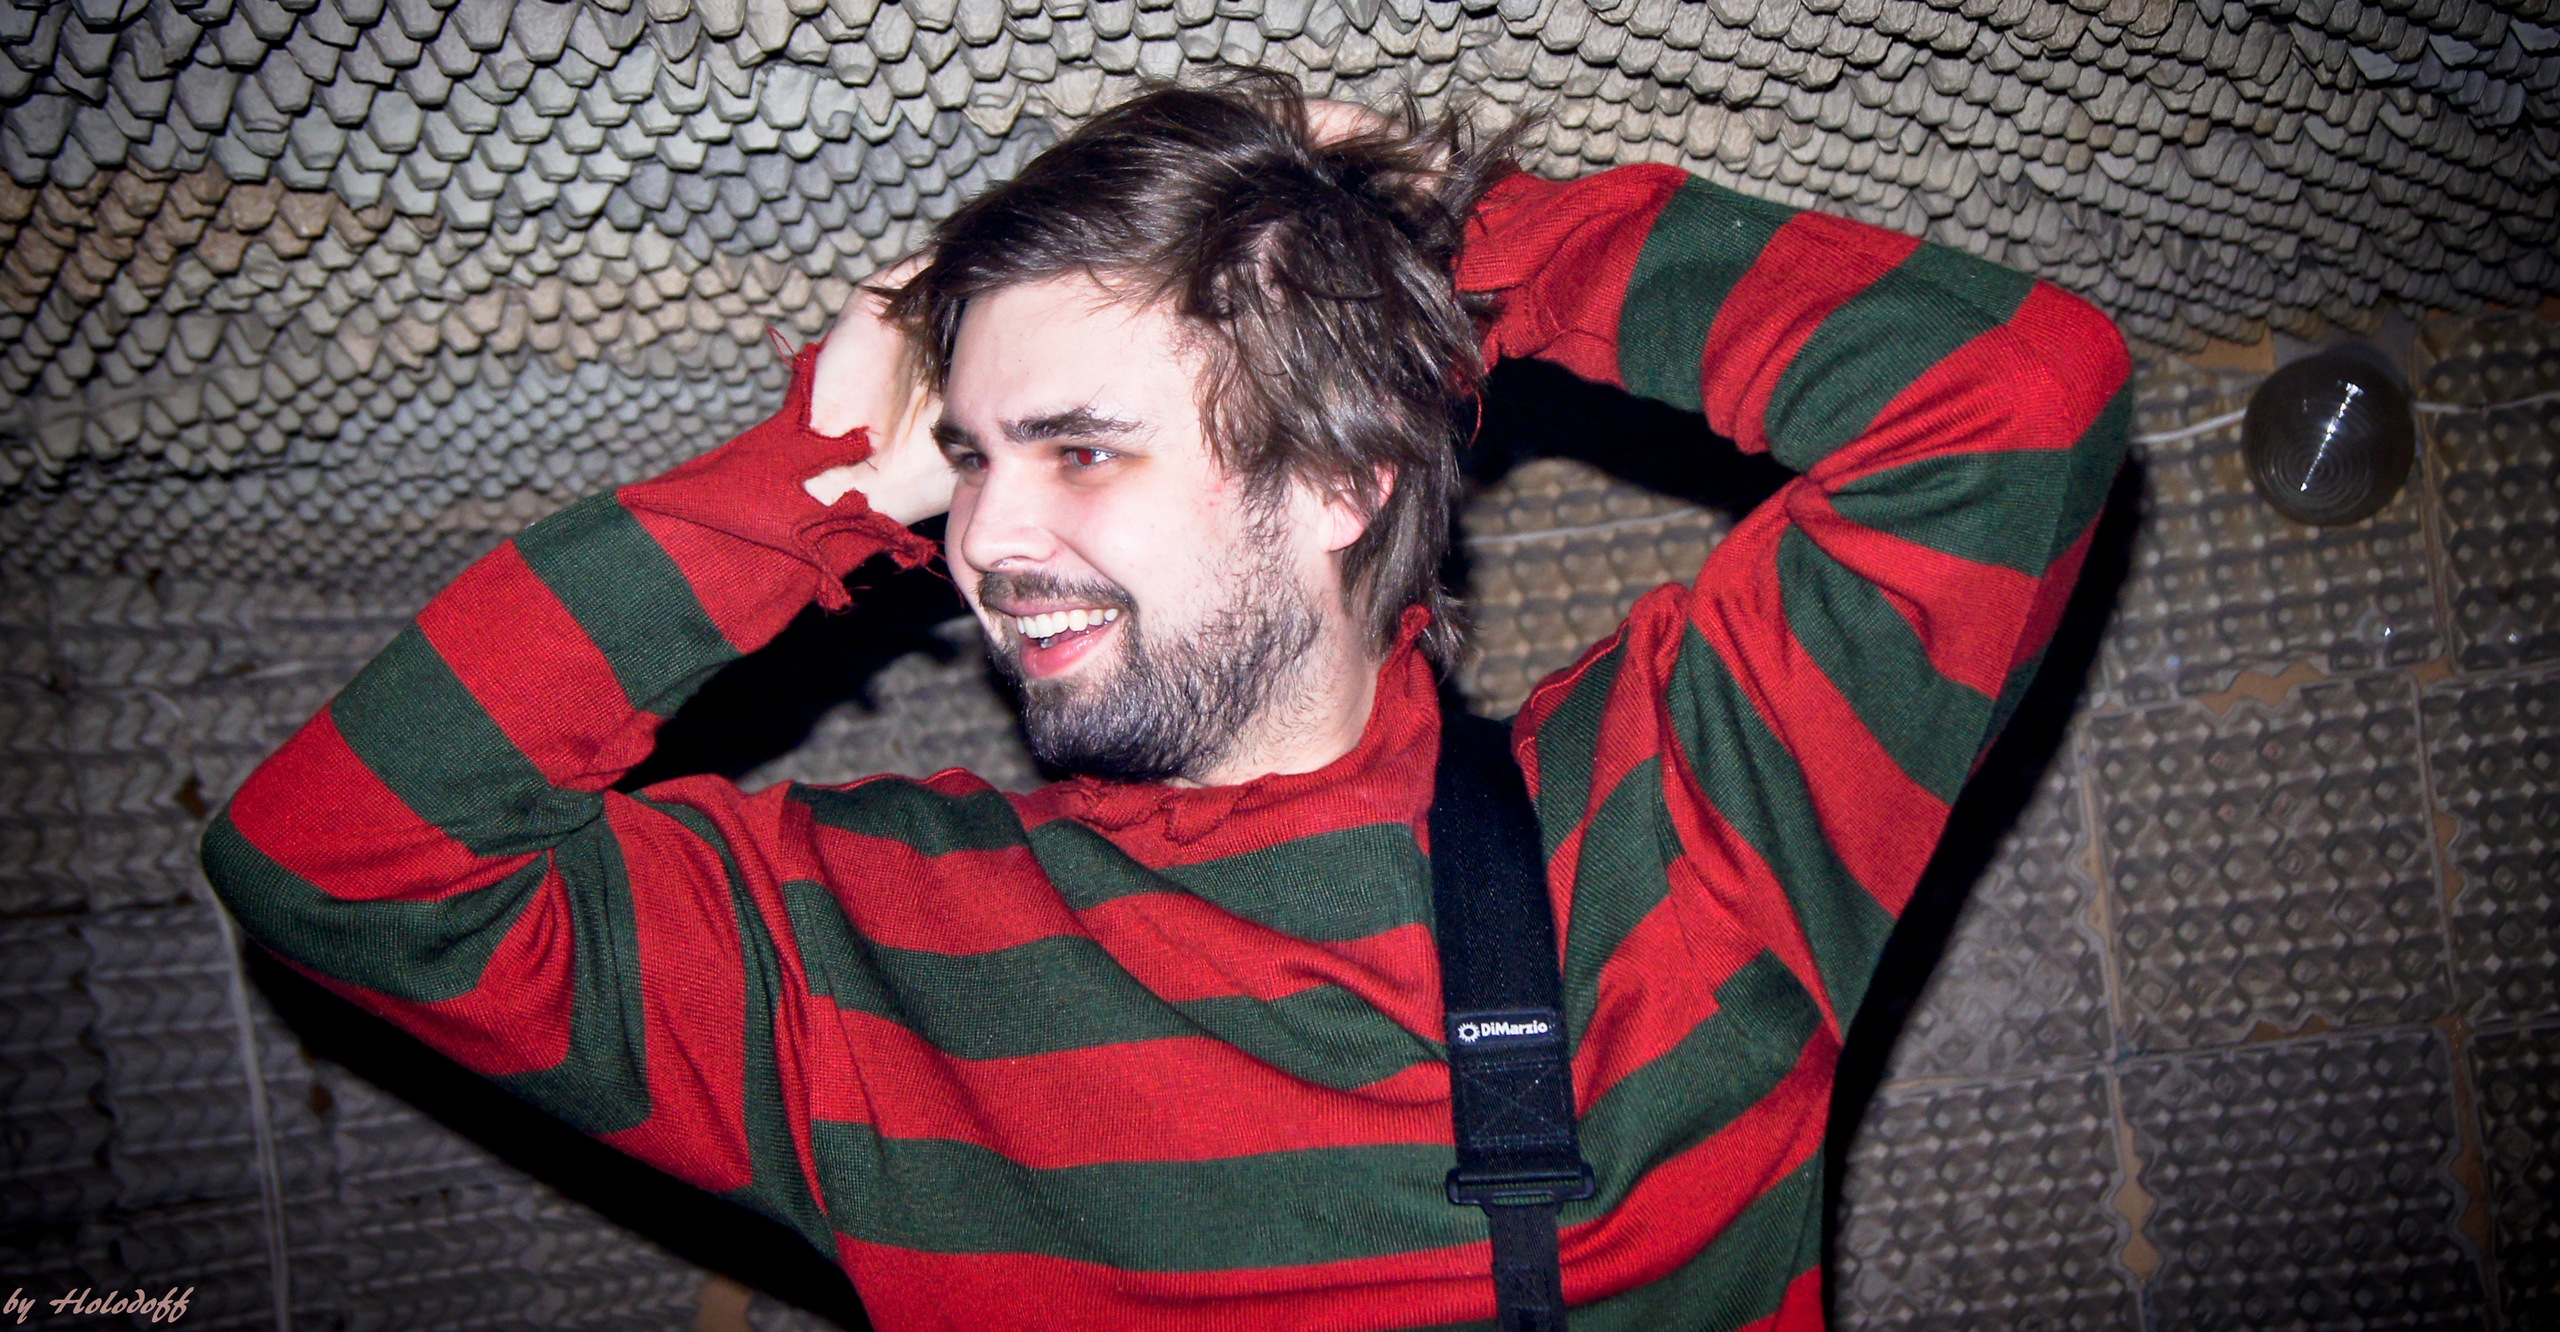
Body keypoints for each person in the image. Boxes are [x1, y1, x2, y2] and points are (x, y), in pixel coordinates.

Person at [202, 71, 2129, 1331]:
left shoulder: (1684, 833)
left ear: (1342, 474)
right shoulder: (859, 951)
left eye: (1082, 447)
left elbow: (2014, 406)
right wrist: (816, 483)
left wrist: (1440, 256)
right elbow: (333, 865)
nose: (979, 537)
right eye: (966, 461)